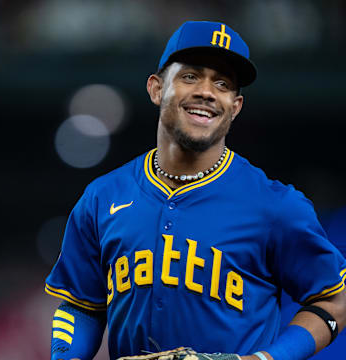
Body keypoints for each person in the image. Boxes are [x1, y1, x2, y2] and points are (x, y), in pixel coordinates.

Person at [45, 21, 346, 360]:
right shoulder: (103, 197)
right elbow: (80, 305)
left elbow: (334, 300)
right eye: (190, 76)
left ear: (235, 106)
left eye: (222, 83)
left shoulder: (275, 205)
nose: (206, 91)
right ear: (157, 88)